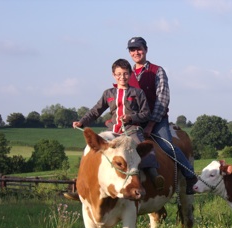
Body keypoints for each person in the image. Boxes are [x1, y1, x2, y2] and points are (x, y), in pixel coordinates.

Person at [63, 59, 164, 201]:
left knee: (144, 150)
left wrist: (130, 117)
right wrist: (82, 122)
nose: (122, 77)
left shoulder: (138, 93)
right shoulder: (108, 93)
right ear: (113, 75)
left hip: (131, 130)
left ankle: (154, 176)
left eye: (125, 74)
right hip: (113, 131)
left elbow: (145, 114)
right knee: (91, 151)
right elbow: (96, 111)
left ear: (130, 74)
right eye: (118, 74)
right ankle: (81, 189)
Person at [126, 37, 197, 195]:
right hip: (135, 122)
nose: (136, 52)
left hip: (156, 120)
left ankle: (190, 176)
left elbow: (162, 99)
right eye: (132, 50)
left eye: (139, 49)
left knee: (167, 146)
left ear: (146, 49)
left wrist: (151, 124)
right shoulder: (127, 74)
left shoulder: (157, 71)